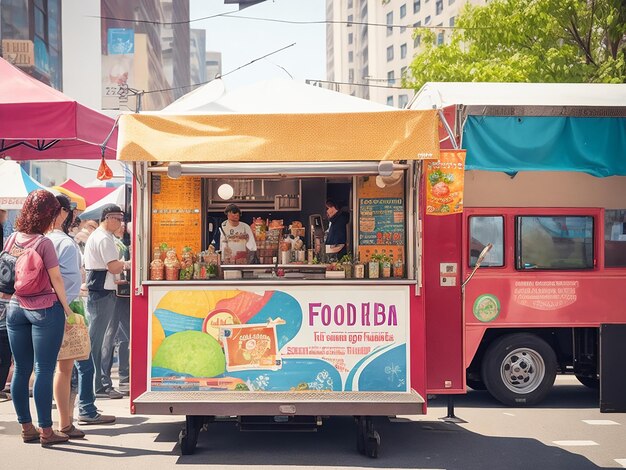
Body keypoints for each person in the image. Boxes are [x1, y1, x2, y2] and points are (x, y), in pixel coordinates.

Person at [3, 190, 75, 446]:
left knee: (22, 369)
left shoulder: (11, 239)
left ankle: (26, 427)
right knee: (44, 369)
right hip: (44, 308)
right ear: (49, 215)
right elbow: (56, 280)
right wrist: (68, 310)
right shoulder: (44, 243)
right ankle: (47, 431)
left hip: (15, 307)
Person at [48, 195, 115, 437]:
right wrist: (69, 305)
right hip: (69, 307)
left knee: (48, 368)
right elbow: (61, 279)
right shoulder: (65, 242)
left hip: (42, 306)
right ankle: (75, 415)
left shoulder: (38, 239)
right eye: (72, 211)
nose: (75, 216)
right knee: (79, 363)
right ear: (63, 212)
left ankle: (49, 424)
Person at [83, 204, 130, 399]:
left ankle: (99, 383)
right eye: (117, 219)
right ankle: (98, 385)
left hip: (102, 291)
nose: (120, 223)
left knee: (102, 339)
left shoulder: (104, 237)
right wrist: (128, 263)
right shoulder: (103, 238)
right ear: (107, 218)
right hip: (102, 292)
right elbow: (113, 266)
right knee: (99, 340)